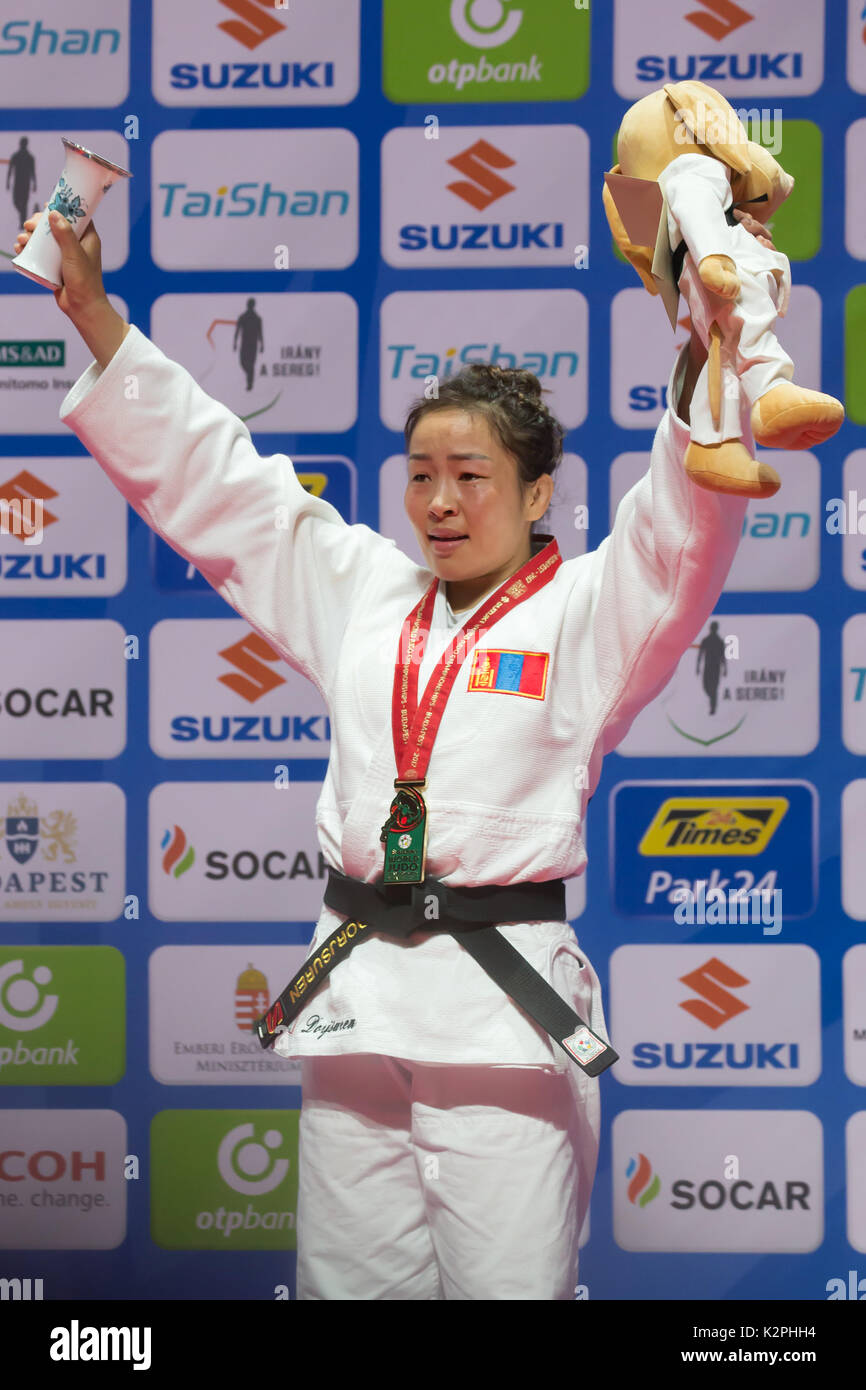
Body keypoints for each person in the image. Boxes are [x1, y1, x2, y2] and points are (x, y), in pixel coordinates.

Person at [13, 204, 775, 1301]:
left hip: (501, 1022)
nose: (440, 501)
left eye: (470, 475)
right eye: (421, 473)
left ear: (534, 491)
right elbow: (230, 492)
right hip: (356, 1000)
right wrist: (94, 317)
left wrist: (699, 368)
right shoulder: (366, 590)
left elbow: (675, 537)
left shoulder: (586, 611)